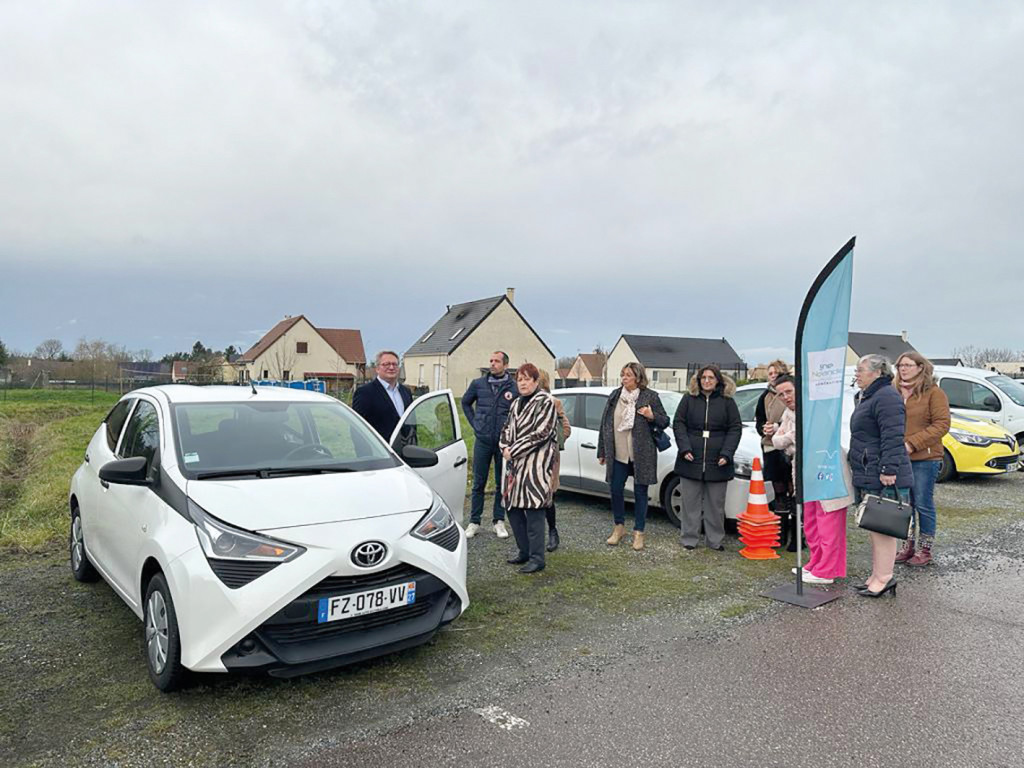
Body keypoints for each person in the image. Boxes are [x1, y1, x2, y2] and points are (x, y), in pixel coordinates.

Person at [772, 375, 855, 584]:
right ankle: (816, 562)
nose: (785, 397)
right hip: (806, 473)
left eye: (788, 392)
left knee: (828, 522)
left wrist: (789, 439)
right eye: (781, 394)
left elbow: (809, 439)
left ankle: (828, 570)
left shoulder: (816, 410)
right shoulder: (788, 414)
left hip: (826, 470)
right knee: (811, 521)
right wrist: (790, 438)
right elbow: (778, 441)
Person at [849, 354, 914, 597]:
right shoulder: (870, 396)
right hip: (870, 469)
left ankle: (885, 577)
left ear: (877, 372)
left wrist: (889, 469)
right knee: (875, 525)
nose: (856, 374)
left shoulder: (886, 396)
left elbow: (893, 436)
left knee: (885, 528)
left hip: (882, 473)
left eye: (861, 369)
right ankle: (877, 575)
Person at [596, 362, 669, 551]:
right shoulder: (615, 396)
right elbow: (604, 424)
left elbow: (664, 421)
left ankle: (639, 532)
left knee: (640, 492)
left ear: (638, 377)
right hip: (618, 453)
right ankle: (619, 527)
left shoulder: (650, 396)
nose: (624, 378)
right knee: (615, 489)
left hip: (642, 454)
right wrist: (602, 451)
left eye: (628, 375)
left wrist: (651, 415)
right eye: (623, 374)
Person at [672, 364, 742, 551]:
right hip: (690, 458)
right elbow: (678, 423)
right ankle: (689, 538)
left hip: (718, 461)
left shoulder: (727, 402)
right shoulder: (688, 399)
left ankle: (715, 540)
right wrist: (684, 448)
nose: (707, 381)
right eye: (703, 378)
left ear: (718, 380)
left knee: (715, 505)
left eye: (711, 378)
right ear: (698, 380)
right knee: (690, 503)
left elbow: (735, 428)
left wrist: (727, 453)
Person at [499, 363, 558, 574]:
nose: (522, 383)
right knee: (513, 510)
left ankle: (537, 558)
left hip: (535, 466)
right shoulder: (515, 403)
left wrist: (513, 450)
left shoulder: (546, 402)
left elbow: (541, 433)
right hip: (514, 467)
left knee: (534, 512)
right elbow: (506, 428)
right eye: (519, 380)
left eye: (527, 379)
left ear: (535, 381)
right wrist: (504, 446)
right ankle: (524, 551)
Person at [894, 351, 951, 567]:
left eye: (908, 365)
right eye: (900, 365)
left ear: (920, 367)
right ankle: (907, 545)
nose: (903, 369)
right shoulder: (894, 391)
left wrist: (912, 443)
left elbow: (941, 424)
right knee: (904, 504)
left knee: (923, 503)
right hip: (899, 458)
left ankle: (925, 549)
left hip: (925, 458)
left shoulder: (934, 393)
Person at [461, 351, 517, 539]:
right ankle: (474, 522)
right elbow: (465, 403)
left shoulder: (513, 387)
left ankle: (498, 521)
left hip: (504, 444)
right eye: (491, 360)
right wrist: (475, 424)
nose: (493, 364)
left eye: (497, 361)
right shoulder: (478, 384)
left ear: (506, 365)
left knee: (502, 483)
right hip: (483, 441)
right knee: (479, 482)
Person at [754, 360, 796, 550]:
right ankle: (780, 535)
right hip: (771, 447)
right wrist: (764, 429)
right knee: (779, 492)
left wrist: (779, 427)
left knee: (794, 491)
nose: (772, 376)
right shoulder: (765, 396)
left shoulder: (792, 395)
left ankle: (797, 537)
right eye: (770, 373)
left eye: (776, 373)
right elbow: (759, 421)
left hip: (791, 447)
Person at [538, 370, 571, 552]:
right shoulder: (521, 402)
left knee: (548, 496)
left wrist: (554, 444)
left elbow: (566, 428)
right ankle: (532, 537)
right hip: (528, 458)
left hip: (549, 458)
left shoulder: (554, 402)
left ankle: (552, 531)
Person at [351, 350, 413, 440]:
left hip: (405, 447)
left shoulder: (406, 392)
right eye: (386, 364)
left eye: (395, 364)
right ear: (377, 368)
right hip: (378, 447)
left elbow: (411, 424)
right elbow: (357, 427)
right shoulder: (365, 393)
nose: (391, 367)